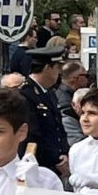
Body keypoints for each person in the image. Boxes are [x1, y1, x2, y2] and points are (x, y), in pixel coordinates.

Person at [19, 47, 71, 177]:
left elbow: (58, 127)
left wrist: (64, 152)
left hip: (54, 164)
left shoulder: (49, 93)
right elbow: (32, 135)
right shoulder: (25, 95)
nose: (59, 74)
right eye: (57, 69)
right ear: (48, 68)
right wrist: (54, 160)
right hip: (38, 165)